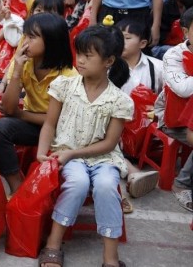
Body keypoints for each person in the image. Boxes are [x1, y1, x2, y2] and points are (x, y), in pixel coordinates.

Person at [36, 24, 134, 267]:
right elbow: (49, 124)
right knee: (78, 183)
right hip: (68, 154)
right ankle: (53, 244)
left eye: (88, 56)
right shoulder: (64, 86)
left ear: (109, 60)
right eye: (78, 53)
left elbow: (110, 143)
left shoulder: (119, 100)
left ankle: (110, 257)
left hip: (103, 158)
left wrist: (73, 153)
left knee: (106, 185)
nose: (79, 60)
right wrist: (41, 152)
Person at [0, 14, 75, 193]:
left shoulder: (69, 76)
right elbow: (8, 108)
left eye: (32, 37)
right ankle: (16, 188)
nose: (24, 42)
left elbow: (57, 122)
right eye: (25, 35)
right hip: (34, 124)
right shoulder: (24, 62)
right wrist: (17, 70)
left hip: (63, 131)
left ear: (51, 42)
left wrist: (21, 115)